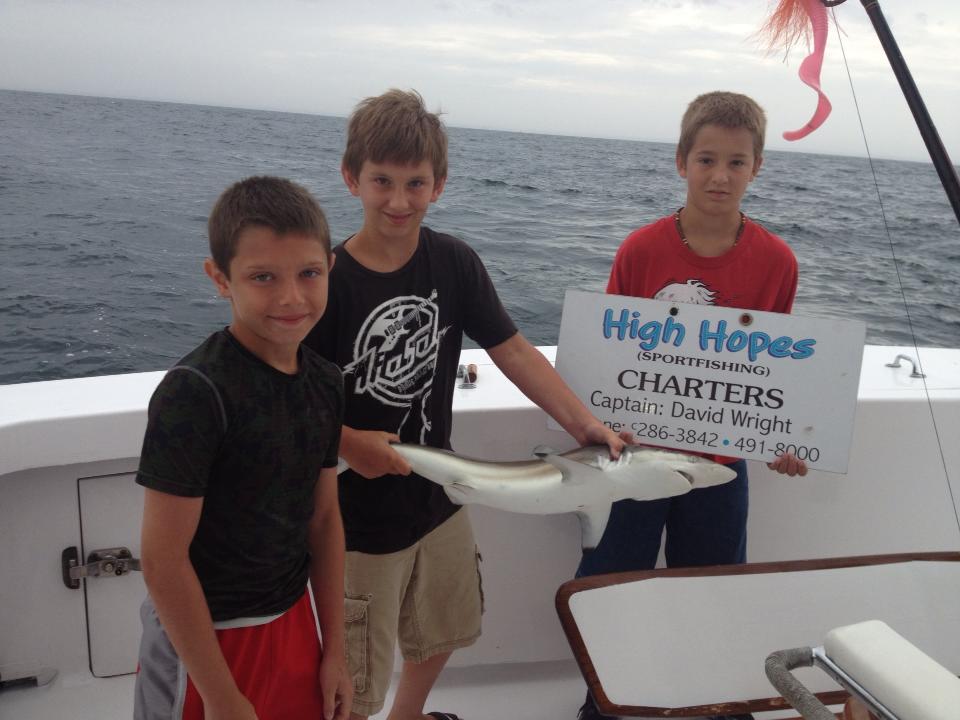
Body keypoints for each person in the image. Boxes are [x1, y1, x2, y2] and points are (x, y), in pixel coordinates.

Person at [304, 88, 631, 720]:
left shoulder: (453, 262)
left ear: (440, 185)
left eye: (415, 183)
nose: (399, 200)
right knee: (353, 668)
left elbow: (513, 350)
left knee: (446, 626)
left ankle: (407, 715)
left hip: (439, 493)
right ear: (351, 179)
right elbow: (289, 400)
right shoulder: (326, 280)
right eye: (382, 181)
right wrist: (348, 443)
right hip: (350, 516)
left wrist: (584, 423)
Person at [575, 91, 808, 720]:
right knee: (609, 587)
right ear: (682, 162)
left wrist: (784, 439)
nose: (720, 175)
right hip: (633, 459)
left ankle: (709, 704)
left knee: (712, 596)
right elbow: (607, 360)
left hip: (720, 466)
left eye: (736, 162)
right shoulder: (640, 250)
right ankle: (604, 705)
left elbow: (776, 375)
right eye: (707, 159)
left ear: (757, 168)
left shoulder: (778, 262)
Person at [134, 176, 351, 720]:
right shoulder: (194, 392)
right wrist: (221, 696)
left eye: (309, 273)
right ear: (220, 279)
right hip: (205, 645)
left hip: (295, 622)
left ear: (330, 267)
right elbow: (163, 562)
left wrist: (336, 650)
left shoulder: (326, 382)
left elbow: (324, 519)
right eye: (263, 277)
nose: (291, 297)